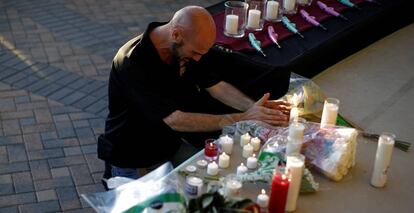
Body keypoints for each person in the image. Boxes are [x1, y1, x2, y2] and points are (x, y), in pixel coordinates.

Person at [98, 5, 291, 181]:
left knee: (215, 179)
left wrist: (254, 108)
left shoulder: (183, 47)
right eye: (196, 53)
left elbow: (216, 86)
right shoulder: (133, 63)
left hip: (167, 144)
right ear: (176, 34)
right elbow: (175, 119)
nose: (199, 59)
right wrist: (242, 117)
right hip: (131, 156)